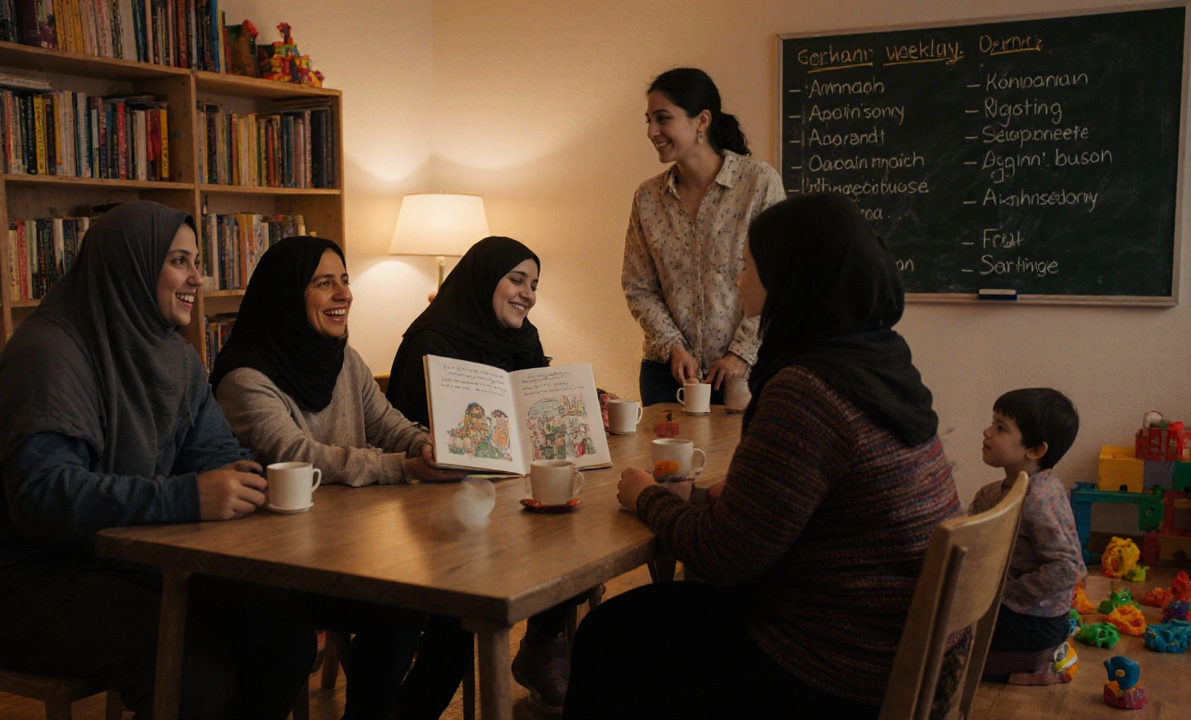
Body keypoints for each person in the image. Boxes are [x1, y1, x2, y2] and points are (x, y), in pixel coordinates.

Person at [565, 193, 961, 719]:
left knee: (609, 636)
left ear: (792, 277)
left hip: (838, 668)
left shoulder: (808, 390)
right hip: (904, 651)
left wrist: (648, 497)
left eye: (749, 264)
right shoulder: (878, 360)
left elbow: (724, 557)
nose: (738, 278)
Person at [0, 201, 316, 720]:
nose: (198, 277)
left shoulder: (174, 355)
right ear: (128, 264)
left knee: (285, 635)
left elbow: (215, 454)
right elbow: (43, 498)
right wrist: (188, 495)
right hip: (30, 583)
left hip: (129, 564)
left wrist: (249, 482)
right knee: (194, 672)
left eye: (197, 261)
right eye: (179, 261)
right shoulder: (49, 353)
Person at [209, 236, 466, 718]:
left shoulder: (342, 358)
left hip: (347, 548)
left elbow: (387, 423)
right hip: (281, 568)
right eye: (324, 283)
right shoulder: (245, 379)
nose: (344, 294)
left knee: (460, 604)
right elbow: (299, 454)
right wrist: (404, 468)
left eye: (344, 281)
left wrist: (428, 446)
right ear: (287, 295)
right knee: (399, 607)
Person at [386, 236, 580, 715]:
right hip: (434, 508)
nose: (528, 293)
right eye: (517, 279)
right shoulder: (431, 341)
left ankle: (543, 640)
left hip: (504, 498)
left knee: (572, 529)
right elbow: (405, 434)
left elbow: (533, 407)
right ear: (482, 278)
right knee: (469, 602)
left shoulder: (523, 336)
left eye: (534, 284)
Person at [622, 67, 786, 405]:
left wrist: (742, 352)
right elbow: (639, 287)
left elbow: (781, 276)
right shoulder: (648, 198)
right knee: (666, 461)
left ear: (702, 121)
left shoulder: (758, 184)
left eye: (663, 119)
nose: (652, 131)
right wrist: (673, 346)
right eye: (649, 120)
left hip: (747, 371)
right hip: (667, 374)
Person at [972, 388, 1086, 684]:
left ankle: (1036, 665)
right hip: (1008, 609)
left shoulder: (1040, 498)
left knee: (948, 644)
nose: (987, 432)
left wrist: (1006, 596)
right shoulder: (991, 493)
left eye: (1000, 428)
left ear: (1034, 450)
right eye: (992, 423)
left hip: (1033, 620)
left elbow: (1068, 569)